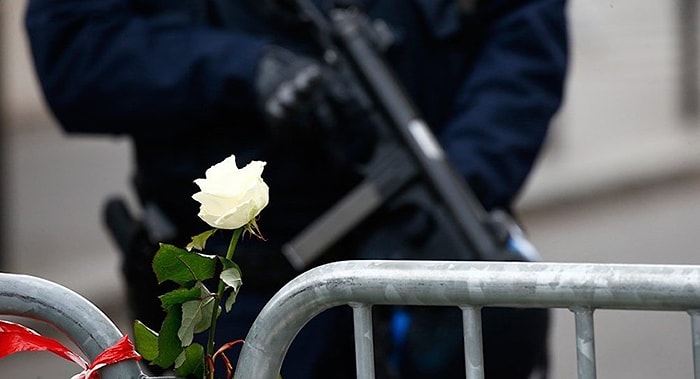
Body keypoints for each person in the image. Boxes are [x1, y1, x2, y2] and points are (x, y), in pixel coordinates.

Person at [24, 0, 568, 378]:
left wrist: (455, 181)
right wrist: (244, 70)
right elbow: (75, 51)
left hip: (427, 253)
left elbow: (523, 34)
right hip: (237, 293)